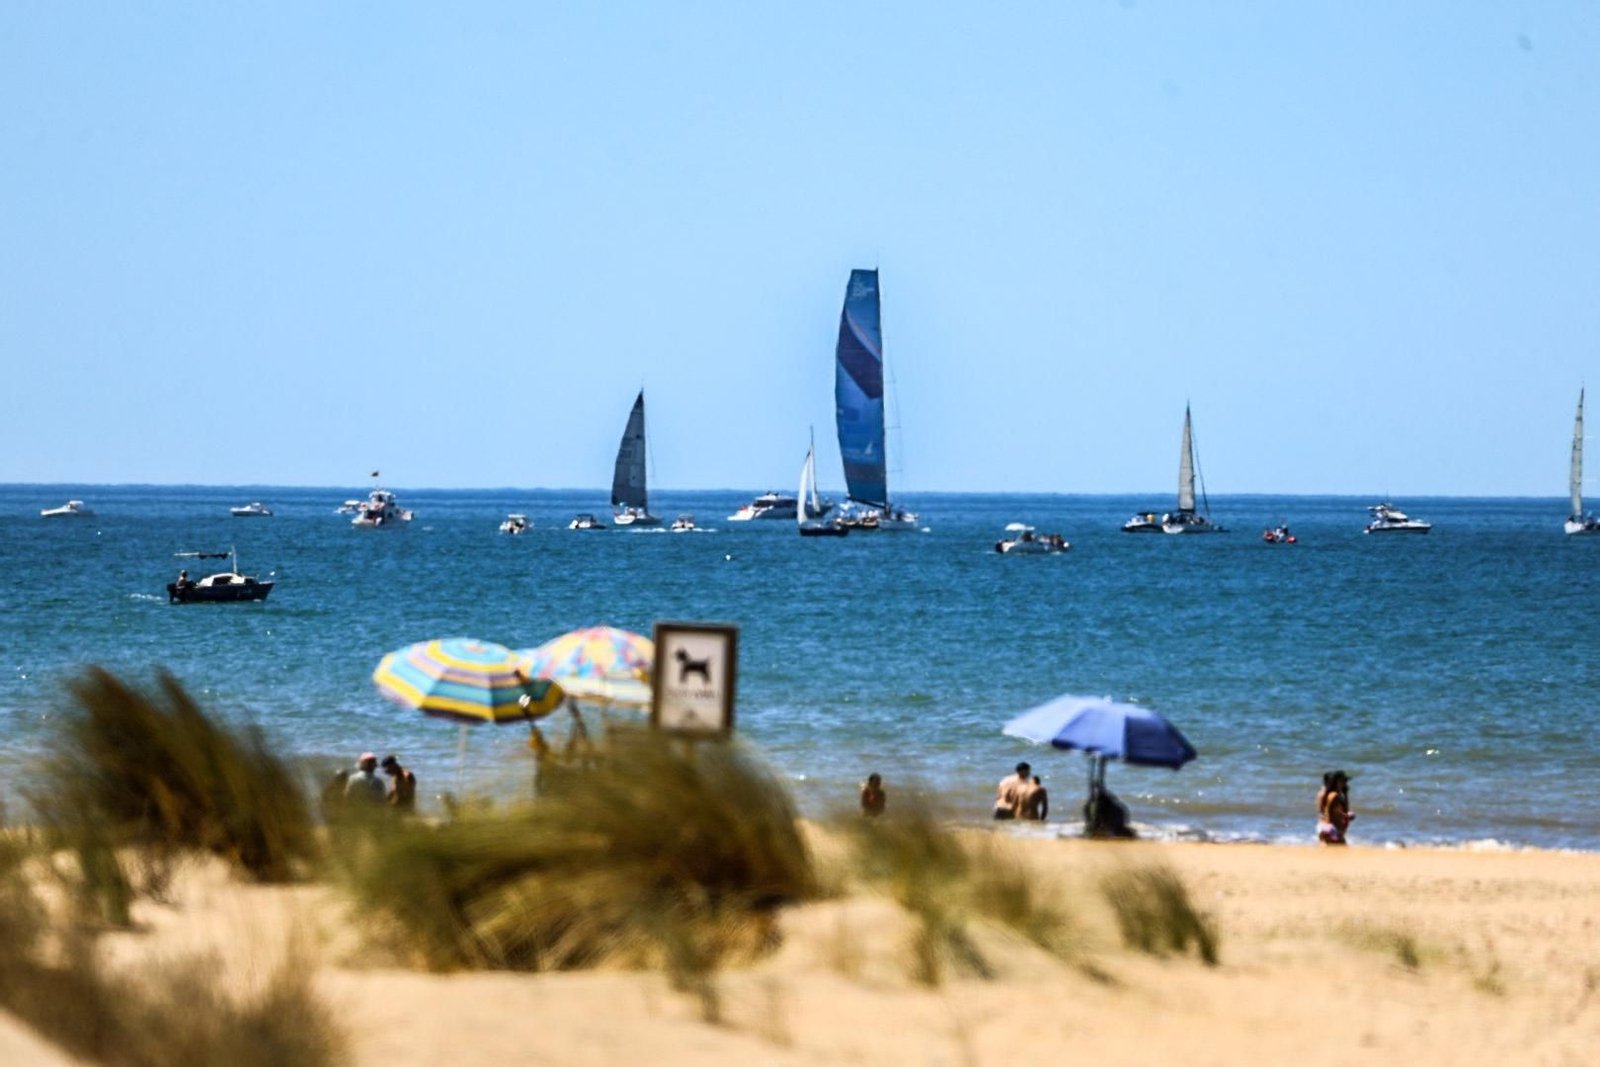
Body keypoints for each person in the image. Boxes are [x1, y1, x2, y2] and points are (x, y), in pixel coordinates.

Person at [1318, 769, 1354, 845]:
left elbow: (1325, 812)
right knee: (1342, 852)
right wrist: (1348, 816)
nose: (1346, 784)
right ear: (1338, 782)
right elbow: (1330, 812)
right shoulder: (1335, 796)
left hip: (1326, 827)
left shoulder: (1328, 794)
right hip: (1331, 828)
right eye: (1344, 781)